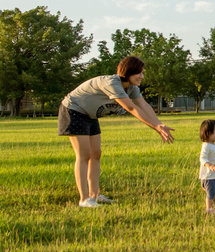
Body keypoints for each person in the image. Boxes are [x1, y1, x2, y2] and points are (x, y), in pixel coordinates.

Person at [58, 56, 175, 207]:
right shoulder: (112, 83)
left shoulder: (132, 88)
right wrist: (154, 126)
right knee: (84, 155)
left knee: (96, 153)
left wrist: (159, 125)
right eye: (138, 73)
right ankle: (84, 199)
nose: (142, 76)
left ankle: (95, 195)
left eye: (142, 73)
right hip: (74, 110)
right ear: (127, 72)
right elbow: (132, 108)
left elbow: (144, 105)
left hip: (91, 115)